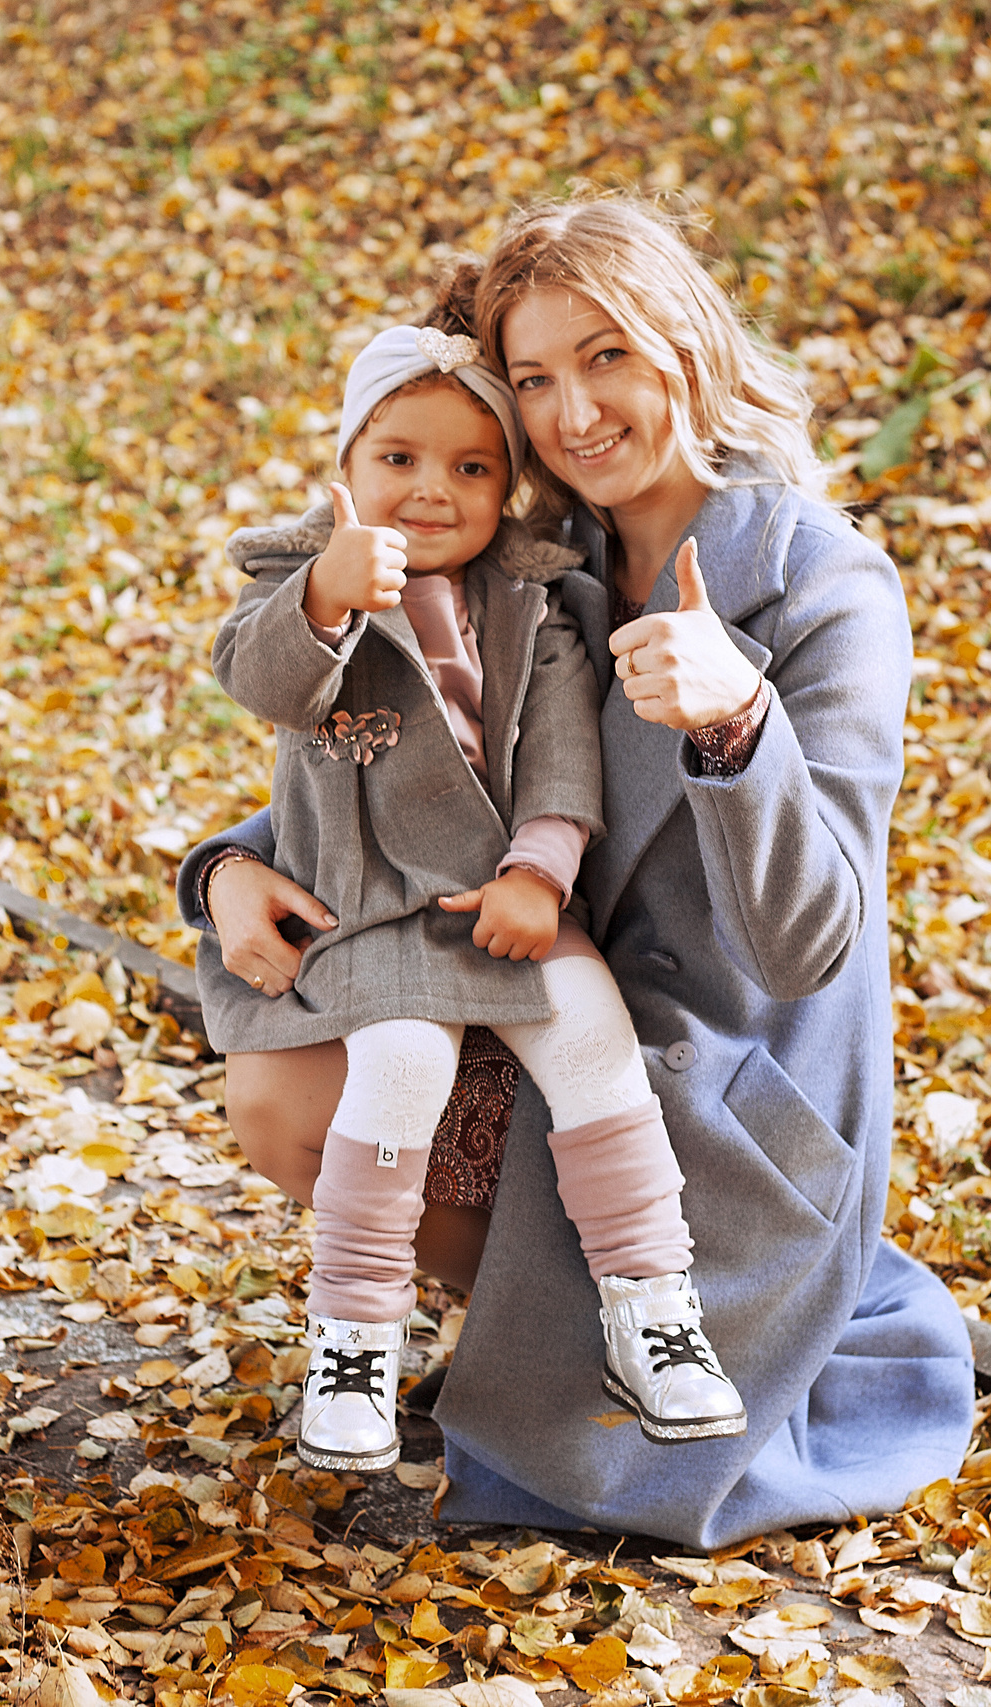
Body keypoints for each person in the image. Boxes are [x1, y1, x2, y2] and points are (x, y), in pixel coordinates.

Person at [183, 195, 976, 1546]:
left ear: (689, 347)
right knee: (282, 1082)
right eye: (536, 376)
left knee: (513, 1107)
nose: (572, 412)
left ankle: (597, 1341)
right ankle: (520, 1324)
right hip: (537, 978)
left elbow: (808, 943)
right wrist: (224, 871)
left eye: (606, 356)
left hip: (730, 1077)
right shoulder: (529, 566)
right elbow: (399, 776)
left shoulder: (825, 585)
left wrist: (737, 724)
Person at [203, 291, 745, 1476]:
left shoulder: (535, 604)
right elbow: (261, 681)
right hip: (375, 914)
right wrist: (328, 591)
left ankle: (650, 1308)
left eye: (470, 467)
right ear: (343, 465)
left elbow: (562, 757)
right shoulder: (300, 586)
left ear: (508, 492)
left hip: (505, 902)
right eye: (396, 459)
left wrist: (540, 875)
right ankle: (353, 1334)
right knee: (399, 1067)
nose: (431, 491)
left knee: (593, 1040)